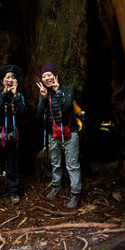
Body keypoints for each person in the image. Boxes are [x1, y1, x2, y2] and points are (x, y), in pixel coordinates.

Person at [36, 62, 82, 209]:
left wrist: (58, 93)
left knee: (72, 164)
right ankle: (56, 186)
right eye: (44, 76)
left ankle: (75, 193)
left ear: (55, 76)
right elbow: (39, 112)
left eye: (49, 75)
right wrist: (43, 97)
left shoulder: (67, 89)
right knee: (55, 161)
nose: (47, 78)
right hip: (53, 133)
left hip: (70, 132)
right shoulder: (44, 92)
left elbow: (67, 107)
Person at [0, 65, 26, 207]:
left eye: (13, 78)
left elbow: (22, 111)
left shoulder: (19, 96)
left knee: (12, 166)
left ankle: (14, 193)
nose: (10, 80)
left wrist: (15, 96)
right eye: (7, 77)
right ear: (2, 81)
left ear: (16, 81)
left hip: (11, 137)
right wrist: (4, 95)